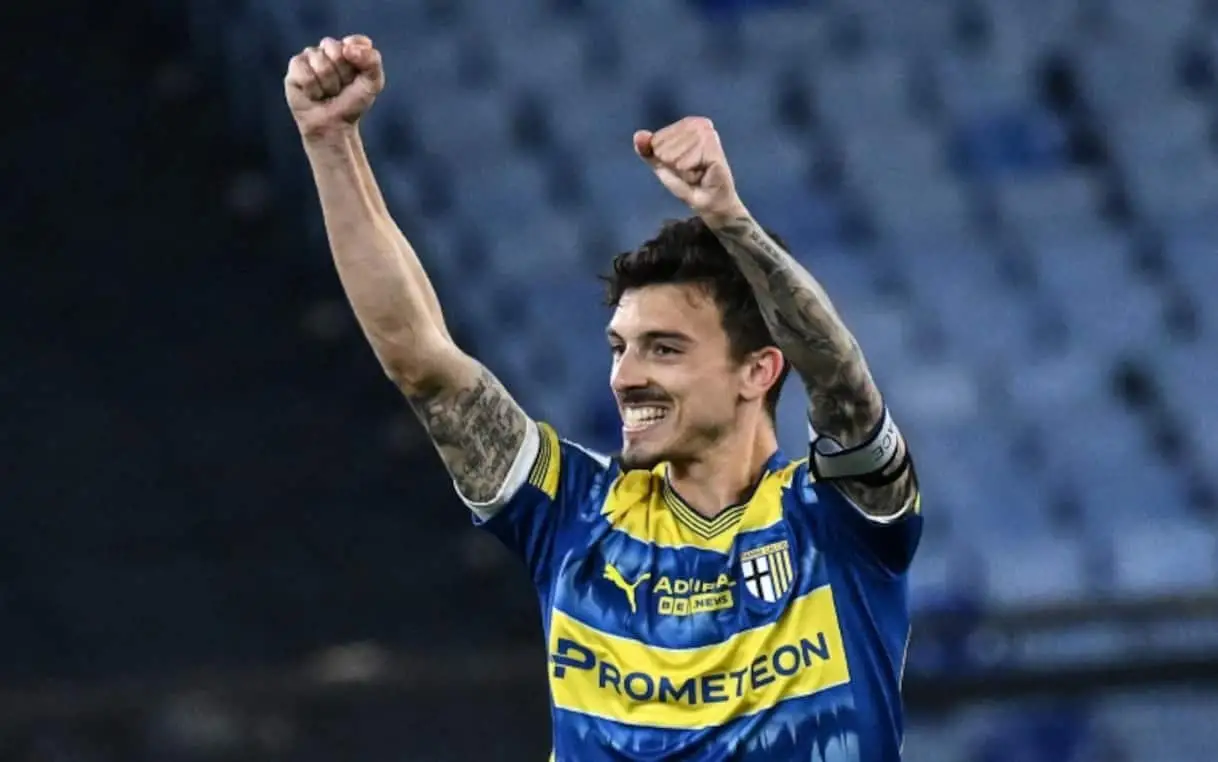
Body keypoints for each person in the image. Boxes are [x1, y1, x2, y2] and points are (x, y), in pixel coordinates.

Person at [286, 34, 922, 762]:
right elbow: (423, 362)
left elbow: (842, 385)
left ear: (758, 371)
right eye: (620, 348)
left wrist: (730, 221)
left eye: (665, 349)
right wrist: (330, 141)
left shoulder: (835, 520)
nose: (624, 376)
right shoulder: (574, 513)